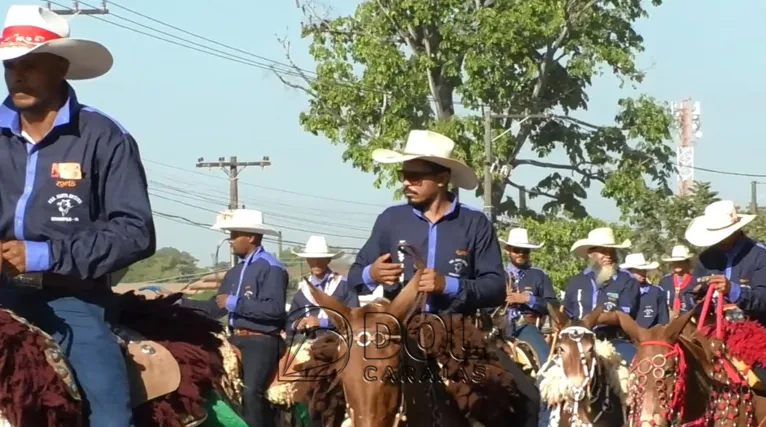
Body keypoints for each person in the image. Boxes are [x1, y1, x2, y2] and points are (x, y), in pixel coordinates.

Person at [0, 5, 154, 426]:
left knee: (109, 412)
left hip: (72, 299)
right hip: (0, 291)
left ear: (60, 67)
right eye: (10, 65)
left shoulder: (104, 136)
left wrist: (43, 255)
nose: (17, 75)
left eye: (29, 64)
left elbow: (135, 231)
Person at [346, 130, 538, 427]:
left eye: (415, 175)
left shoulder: (474, 223)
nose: (406, 182)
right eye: (403, 174)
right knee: (329, 389)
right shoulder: (390, 220)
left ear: (442, 178)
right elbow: (354, 275)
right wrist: (371, 273)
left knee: (527, 397)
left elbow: (495, 287)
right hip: (400, 334)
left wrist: (447, 285)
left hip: (459, 336)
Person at [181, 209, 288, 427]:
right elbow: (215, 308)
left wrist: (234, 303)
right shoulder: (234, 272)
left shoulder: (272, 267)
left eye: (234, 234)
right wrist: (182, 304)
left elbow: (275, 309)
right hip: (234, 339)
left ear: (251, 237)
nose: (230, 241)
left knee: (251, 393)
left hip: (262, 340)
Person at [681, 200, 766, 322]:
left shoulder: (760, 255)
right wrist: (695, 299)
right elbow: (688, 293)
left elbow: (763, 299)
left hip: (754, 331)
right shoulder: (706, 258)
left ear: (736, 230)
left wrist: (733, 290)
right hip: (712, 331)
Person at [563, 227, 640, 362]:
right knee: (551, 372)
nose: (608, 255)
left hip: (614, 340)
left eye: (611, 251)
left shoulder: (627, 281)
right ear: (590, 254)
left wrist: (596, 318)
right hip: (578, 340)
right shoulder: (575, 281)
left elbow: (625, 315)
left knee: (633, 367)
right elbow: (567, 313)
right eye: (603, 251)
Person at [498, 227, 557, 364]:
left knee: (546, 361)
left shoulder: (538, 275)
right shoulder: (497, 275)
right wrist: (500, 297)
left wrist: (527, 299)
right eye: (516, 250)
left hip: (526, 326)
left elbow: (553, 305)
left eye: (525, 251)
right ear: (508, 250)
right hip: (499, 326)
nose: (521, 254)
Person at [287, 235, 359, 334]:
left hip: (339, 344)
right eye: (312, 259)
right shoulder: (302, 292)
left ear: (328, 260)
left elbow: (354, 318)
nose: (316, 263)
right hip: (310, 345)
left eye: (321, 259)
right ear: (307, 260)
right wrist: (297, 324)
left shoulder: (344, 287)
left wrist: (321, 322)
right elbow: (289, 323)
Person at [621, 253, 668, 328]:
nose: (642, 273)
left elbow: (663, 321)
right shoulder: (621, 292)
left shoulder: (657, 292)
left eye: (643, 270)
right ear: (629, 272)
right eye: (638, 271)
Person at [657, 244, 694, 316]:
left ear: (687, 263)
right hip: (670, 320)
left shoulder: (694, 281)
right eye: (675, 262)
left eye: (680, 261)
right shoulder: (665, 282)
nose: (677, 264)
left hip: (692, 319)